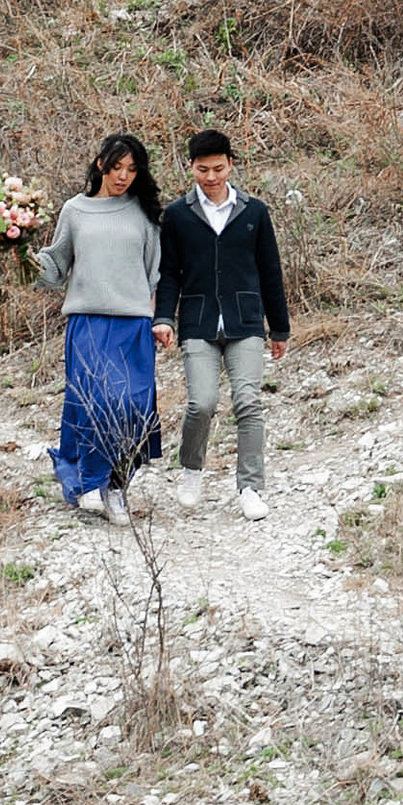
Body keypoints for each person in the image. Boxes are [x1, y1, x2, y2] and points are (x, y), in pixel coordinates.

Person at [155, 128, 290, 518]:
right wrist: (164, 317)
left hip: (245, 321)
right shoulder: (178, 215)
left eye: (217, 168)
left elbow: (270, 272)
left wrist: (278, 328)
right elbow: (169, 273)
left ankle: (250, 487)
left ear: (231, 164)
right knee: (202, 403)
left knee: (248, 402)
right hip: (197, 322)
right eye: (202, 170)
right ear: (190, 168)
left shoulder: (254, 212)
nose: (211, 177)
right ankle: (192, 469)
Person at [36, 132, 163, 520]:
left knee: (134, 406)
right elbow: (54, 269)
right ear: (100, 164)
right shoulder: (75, 210)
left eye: (131, 169)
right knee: (95, 404)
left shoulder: (144, 212)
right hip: (88, 322)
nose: (123, 176)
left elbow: (155, 274)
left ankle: (116, 485)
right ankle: (90, 483)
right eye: (116, 167)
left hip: (134, 325)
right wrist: (18, 249)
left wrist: (159, 320)